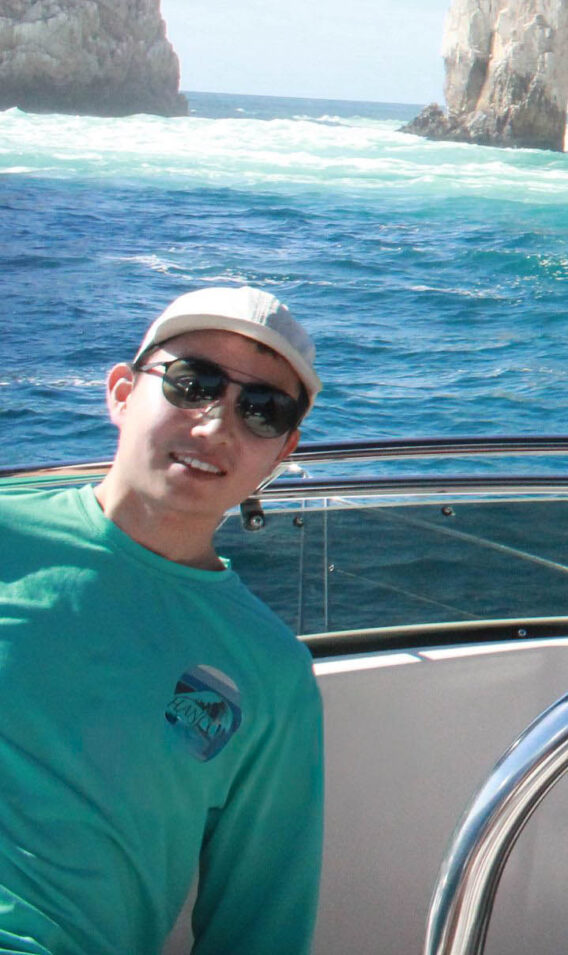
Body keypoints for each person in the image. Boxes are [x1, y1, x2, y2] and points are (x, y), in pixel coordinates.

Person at [0, 287, 328, 955]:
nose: (215, 424)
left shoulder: (270, 673)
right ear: (121, 392)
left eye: (262, 410)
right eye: (192, 382)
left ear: (285, 448)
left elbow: (259, 928)